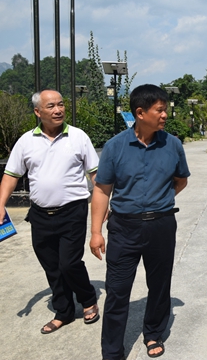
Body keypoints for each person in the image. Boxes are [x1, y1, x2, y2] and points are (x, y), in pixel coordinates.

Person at [89, 84, 190, 360]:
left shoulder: (173, 145)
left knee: (159, 284)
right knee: (117, 290)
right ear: (140, 113)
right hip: (124, 228)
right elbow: (102, 190)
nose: (165, 115)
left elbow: (181, 180)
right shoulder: (115, 146)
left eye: (165, 109)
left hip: (161, 226)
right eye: (160, 110)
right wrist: (95, 232)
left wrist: (159, 199)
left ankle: (153, 332)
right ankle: (112, 351)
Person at [0, 89, 100, 334]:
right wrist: (0, 204)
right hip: (40, 215)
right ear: (38, 111)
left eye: (61, 104)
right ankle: (63, 312)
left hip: (73, 211)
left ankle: (88, 299)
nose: (58, 110)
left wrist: (104, 204)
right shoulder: (26, 141)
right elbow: (11, 175)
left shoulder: (78, 137)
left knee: (69, 263)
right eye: (51, 106)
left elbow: (95, 174)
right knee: (51, 266)